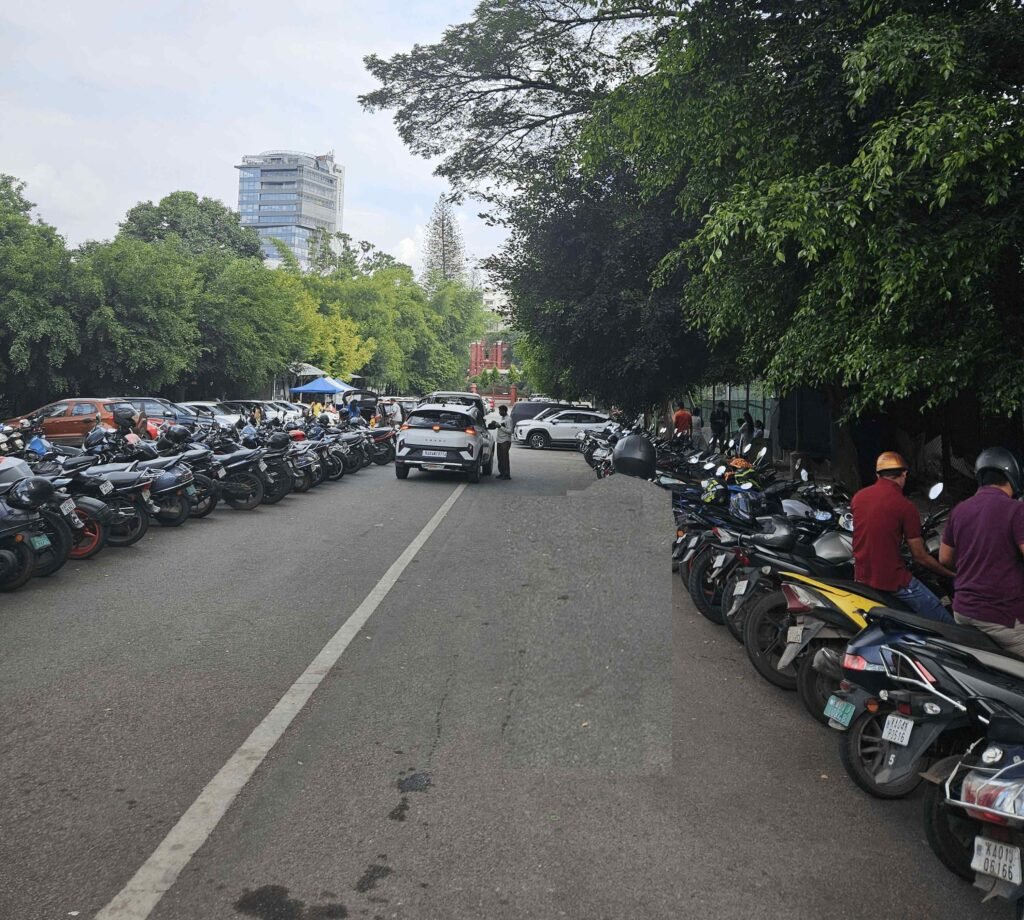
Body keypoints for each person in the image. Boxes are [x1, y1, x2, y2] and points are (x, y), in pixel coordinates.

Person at [851, 451, 954, 622]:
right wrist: (948, 574)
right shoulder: (905, 506)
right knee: (941, 616)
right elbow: (919, 556)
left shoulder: (858, 498)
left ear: (878, 475)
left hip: (861, 576)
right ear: (904, 474)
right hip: (892, 580)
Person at [939, 448, 1024, 655]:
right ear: (1012, 475)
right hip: (1000, 616)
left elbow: (945, 559)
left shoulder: (960, 510)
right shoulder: (1015, 510)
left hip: (962, 611)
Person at [494, 405, 513, 479]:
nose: (499, 412)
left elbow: (510, 431)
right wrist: (496, 424)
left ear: (505, 411)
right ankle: (501, 473)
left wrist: (500, 426)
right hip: (499, 440)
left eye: (500, 411)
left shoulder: (509, 419)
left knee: (505, 458)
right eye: (499, 411)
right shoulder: (503, 418)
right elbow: (501, 427)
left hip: (505, 441)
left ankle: (507, 474)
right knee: (500, 458)